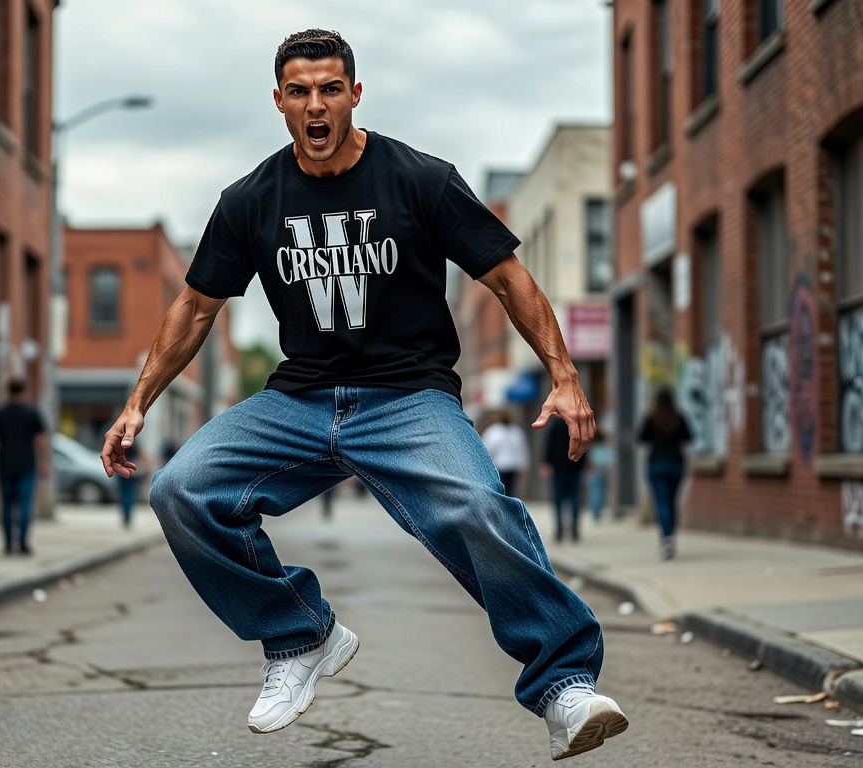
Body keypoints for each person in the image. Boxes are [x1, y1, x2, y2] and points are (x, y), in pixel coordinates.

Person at [100, 30, 627, 761]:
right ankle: (299, 635)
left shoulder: (420, 179)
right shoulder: (251, 200)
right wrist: (138, 402)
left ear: (354, 94)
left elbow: (507, 277)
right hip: (300, 398)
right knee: (182, 488)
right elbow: (194, 308)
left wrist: (565, 377)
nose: (316, 105)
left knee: (478, 507)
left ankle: (564, 686)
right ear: (279, 102)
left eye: (329, 89)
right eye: (299, 92)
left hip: (408, 396)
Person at [0, 379, 48, 555]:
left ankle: (7, 544)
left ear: (8, 391)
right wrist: (44, 462)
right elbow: (41, 440)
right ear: (23, 391)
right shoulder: (31, 413)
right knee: (24, 505)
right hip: (27, 465)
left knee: (6, 505)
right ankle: (22, 544)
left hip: (4, 464)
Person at [637, 388, 692, 560]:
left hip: (656, 464)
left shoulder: (651, 417)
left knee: (661, 502)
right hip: (676, 464)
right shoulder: (678, 417)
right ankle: (670, 538)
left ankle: (666, 539)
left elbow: (640, 438)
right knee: (671, 501)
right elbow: (689, 438)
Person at [541, 415, 586, 543]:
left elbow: (549, 444)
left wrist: (547, 463)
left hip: (559, 466)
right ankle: (574, 530)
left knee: (558, 499)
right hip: (575, 465)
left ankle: (560, 530)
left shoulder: (556, 424)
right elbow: (584, 443)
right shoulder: (578, 423)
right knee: (574, 497)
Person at [481, 408, 530, 497]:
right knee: (510, 491)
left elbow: (487, 449)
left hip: (498, 465)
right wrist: (523, 467)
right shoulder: (516, 431)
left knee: (499, 491)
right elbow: (521, 450)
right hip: (512, 466)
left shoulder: (494, 431)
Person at [116, 443, 147, 529]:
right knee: (129, 494)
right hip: (131, 472)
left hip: (121, 469)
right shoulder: (133, 443)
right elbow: (140, 455)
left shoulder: (119, 444)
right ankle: (128, 517)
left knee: (123, 494)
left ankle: (125, 517)